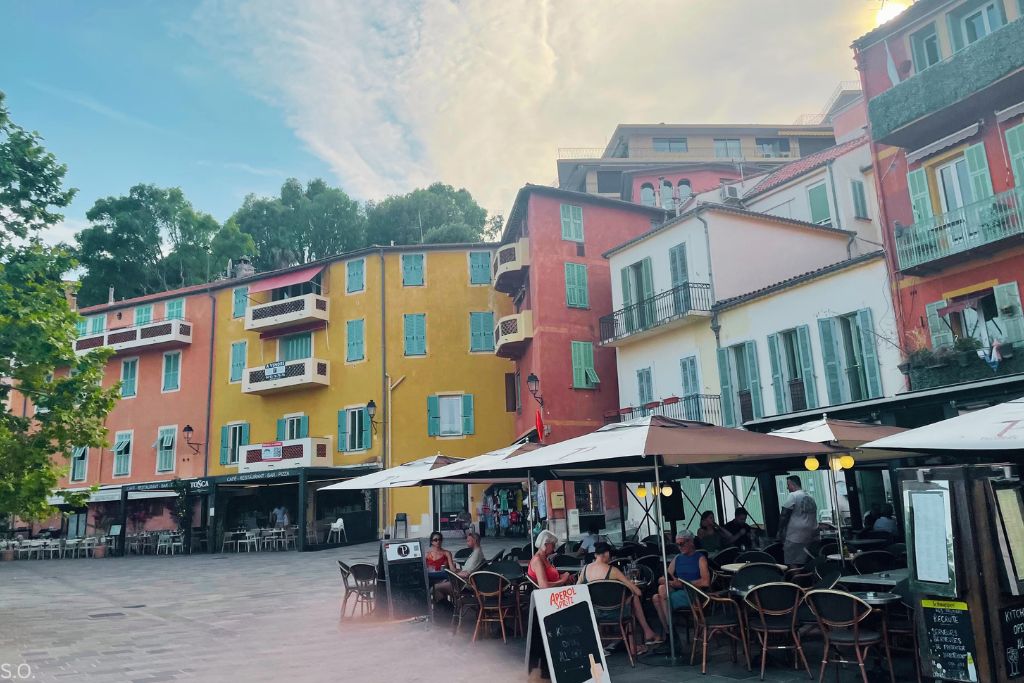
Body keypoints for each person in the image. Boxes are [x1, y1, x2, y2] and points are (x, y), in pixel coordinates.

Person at [578, 541, 661, 647]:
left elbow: (577, 590)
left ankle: (607, 642)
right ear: (607, 554)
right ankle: (639, 640)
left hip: (595, 613)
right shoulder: (613, 571)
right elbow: (638, 592)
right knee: (633, 598)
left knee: (629, 599)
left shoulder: (585, 570)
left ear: (595, 555)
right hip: (615, 613)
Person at [651, 530, 711, 637]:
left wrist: (683, 584)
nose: (680, 547)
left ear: (690, 542)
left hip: (693, 593)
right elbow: (664, 577)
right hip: (678, 591)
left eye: (682, 544)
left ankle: (671, 635)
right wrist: (669, 582)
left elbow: (705, 582)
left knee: (659, 598)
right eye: (677, 544)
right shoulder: (677, 558)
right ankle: (671, 632)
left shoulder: (700, 558)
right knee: (659, 592)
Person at [778, 475, 819, 565]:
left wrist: (780, 531)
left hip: (795, 536)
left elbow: (784, 515)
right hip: (811, 535)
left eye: (788, 485)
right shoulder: (810, 496)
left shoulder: (793, 495)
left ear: (791, 484)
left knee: (792, 562)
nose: (787, 487)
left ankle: (795, 578)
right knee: (806, 562)